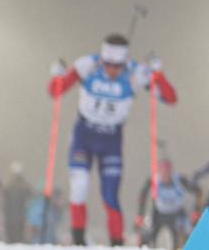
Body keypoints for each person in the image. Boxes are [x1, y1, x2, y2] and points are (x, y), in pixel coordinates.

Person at [48, 33, 177, 246]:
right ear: (103, 58)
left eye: (118, 66)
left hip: (111, 140)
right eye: (108, 65)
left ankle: (116, 244)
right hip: (85, 135)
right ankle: (79, 241)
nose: (113, 70)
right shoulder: (87, 65)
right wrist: (57, 76)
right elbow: (55, 92)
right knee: (79, 186)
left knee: (110, 194)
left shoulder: (135, 72)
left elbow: (170, 98)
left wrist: (158, 74)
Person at [136, 157, 196, 249]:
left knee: (186, 233)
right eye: (163, 171)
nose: (165, 174)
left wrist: (196, 210)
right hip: (159, 213)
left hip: (176, 213)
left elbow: (198, 191)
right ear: (160, 171)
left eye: (167, 171)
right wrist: (140, 214)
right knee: (147, 234)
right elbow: (142, 195)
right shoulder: (154, 180)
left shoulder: (180, 180)